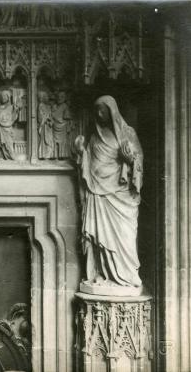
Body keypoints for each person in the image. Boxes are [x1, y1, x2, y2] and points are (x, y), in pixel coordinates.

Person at [74, 95, 143, 290]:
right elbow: (88, 163)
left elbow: (138, 163)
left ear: (112, 110)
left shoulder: (128, 134)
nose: (99, 113)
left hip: (121, 197)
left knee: (124, 237)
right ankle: (101, 274)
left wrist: (129, 160)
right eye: (96, 110)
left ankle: (127, 277)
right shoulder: (95, 137)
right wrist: (82, 152)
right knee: (98, 239)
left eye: (102, 109)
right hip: (97, 194)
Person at [0, 90, 16, 160]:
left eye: (4, 96)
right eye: (1, 96)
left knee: (9, 144)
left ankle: (12, 157)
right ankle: (4, 157)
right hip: (0, 128)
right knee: (2, 144)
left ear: (8, 97)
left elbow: (13, 117)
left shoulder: (11, 107)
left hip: (7, 128)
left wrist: (16, 110)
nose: (2, 98)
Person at [37, 90, 54, 159]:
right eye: (46, 96)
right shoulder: (41, 105)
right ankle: (43, 155)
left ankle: (49, 155)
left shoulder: (48, 106)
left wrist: (50, 120)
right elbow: (40, 116)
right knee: (45, 140)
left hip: (49, 126)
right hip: (44, 126)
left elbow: (50, 116)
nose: (48, 98)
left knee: (49, 140)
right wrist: (46, 118)